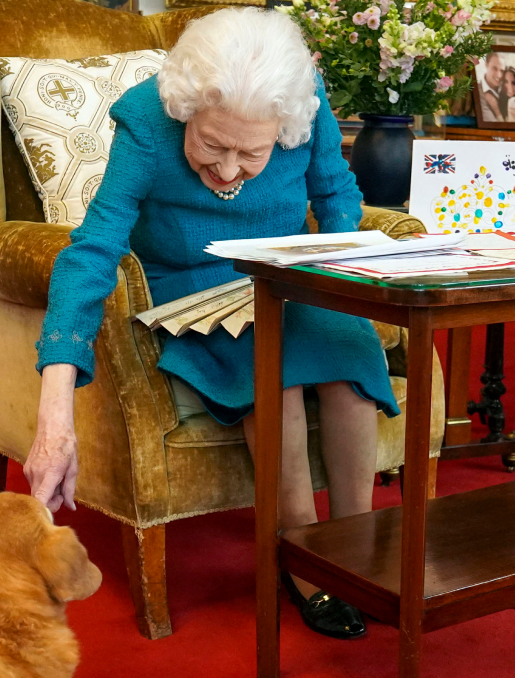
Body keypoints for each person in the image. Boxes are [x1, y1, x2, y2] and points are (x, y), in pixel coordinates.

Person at [24, 7, 393, 641]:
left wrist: (346, 277)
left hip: (290, 274)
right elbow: (93, 247)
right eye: (211, 145)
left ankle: (353, 551)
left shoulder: (306, 100)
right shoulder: (146, 117)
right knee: (272, 378)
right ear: (186, 108)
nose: (227, 171)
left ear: (284, 124)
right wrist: (55, 407)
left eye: (252, 153)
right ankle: (303, 563)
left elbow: (334, 196)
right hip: (191, 285)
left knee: (350, 368)